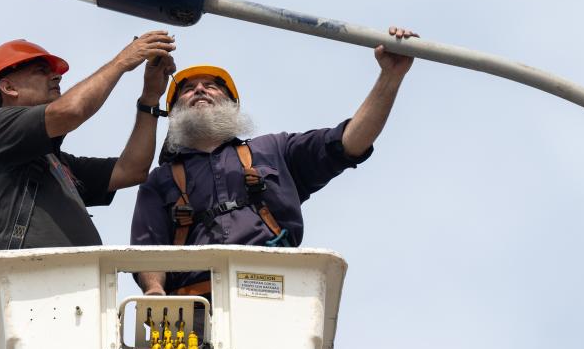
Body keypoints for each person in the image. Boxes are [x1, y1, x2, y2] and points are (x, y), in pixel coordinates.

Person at [131, 26, 417, 295]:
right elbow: (148, 251)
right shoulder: (161, 180)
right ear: (174, 112)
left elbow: (349, 142)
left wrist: (390, 77)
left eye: (211, 86)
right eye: (188, 89)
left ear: (232, 106)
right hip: (197, 307)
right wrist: (155, 292)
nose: (200, 90)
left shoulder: (275, 150)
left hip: (272, 295)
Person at [0, 31, 176, 250]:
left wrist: (150, 97)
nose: (56, 77)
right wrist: (122, 61)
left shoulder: (55, 163)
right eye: (41, 71)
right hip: (30, 276)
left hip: (76, 277)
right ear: (9, 88)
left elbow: (132, 170)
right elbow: (71, 110)